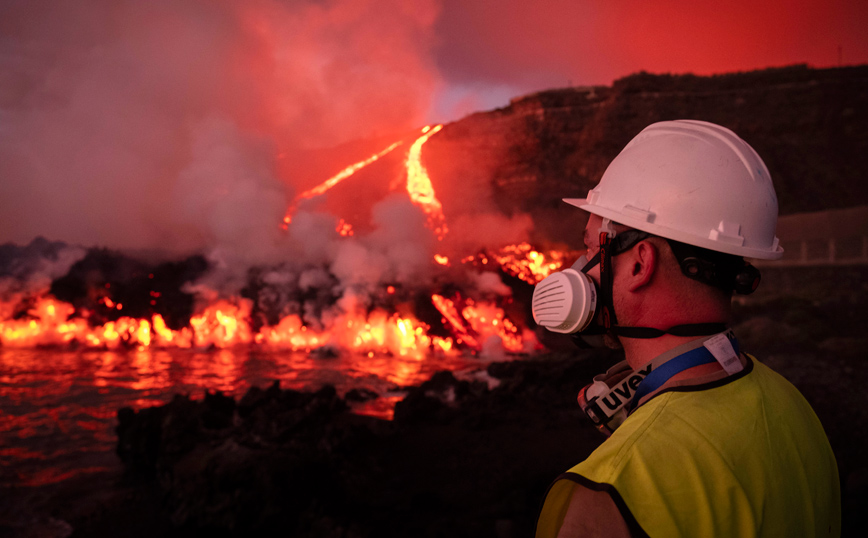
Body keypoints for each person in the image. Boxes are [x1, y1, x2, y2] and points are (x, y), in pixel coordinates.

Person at [531, 120, 841, 537]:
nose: (580, 267)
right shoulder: (794, 409)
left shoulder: (610, 490)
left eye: (590, 248)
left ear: (641, 263)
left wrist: (644, 441)